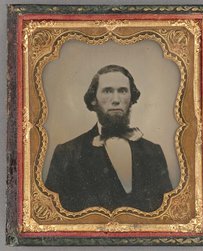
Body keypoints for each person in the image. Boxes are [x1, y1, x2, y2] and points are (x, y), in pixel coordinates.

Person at [45, 65, 172, 212]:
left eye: (123, 91)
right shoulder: (67, 153)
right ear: (93, 99)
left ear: (131, 98)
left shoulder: (153, 152)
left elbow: (167, 214)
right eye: (107, 91)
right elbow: (53, 216)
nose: (116, 100)